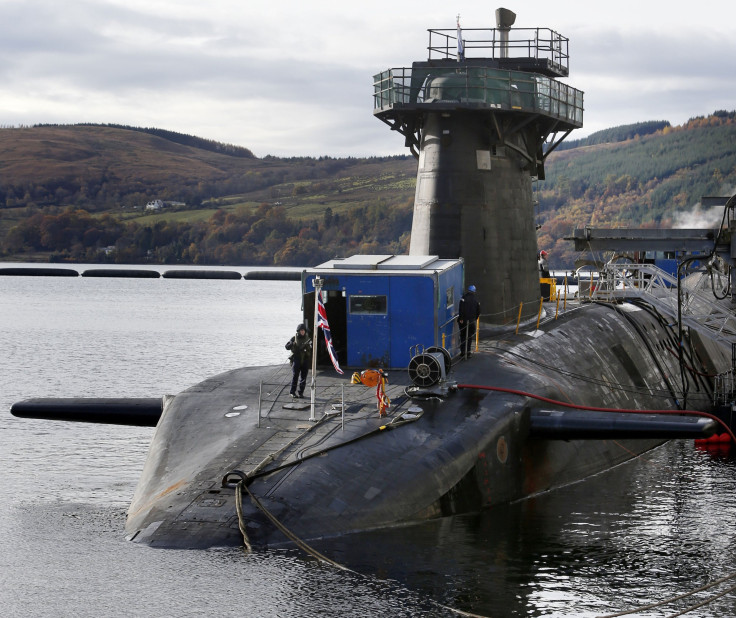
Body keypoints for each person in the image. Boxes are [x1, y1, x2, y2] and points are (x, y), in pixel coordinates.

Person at [285, 323, 312, 399]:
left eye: (303, 330)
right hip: (296, 359)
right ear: (298, 331)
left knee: (303, 377)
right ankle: (292, 392)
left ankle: (301, 392)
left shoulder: (308, 339)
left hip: (305, 360)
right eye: (301, 330)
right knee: (295, 376)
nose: (302, 332)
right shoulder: (294, 338)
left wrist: (306, 348)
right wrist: (290, 344)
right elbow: (287, 346)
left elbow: (311, 347)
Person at [458, 285, 480, 358]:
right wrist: (475, 318)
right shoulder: (476, 300)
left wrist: (461, 318)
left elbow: (461, 309)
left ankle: (463, 352)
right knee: (469, 337)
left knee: (463, 336)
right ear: (474, 291)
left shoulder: (463, 298)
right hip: (471, 321)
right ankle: (468, 352)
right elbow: (478, 311)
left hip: (463, 321)